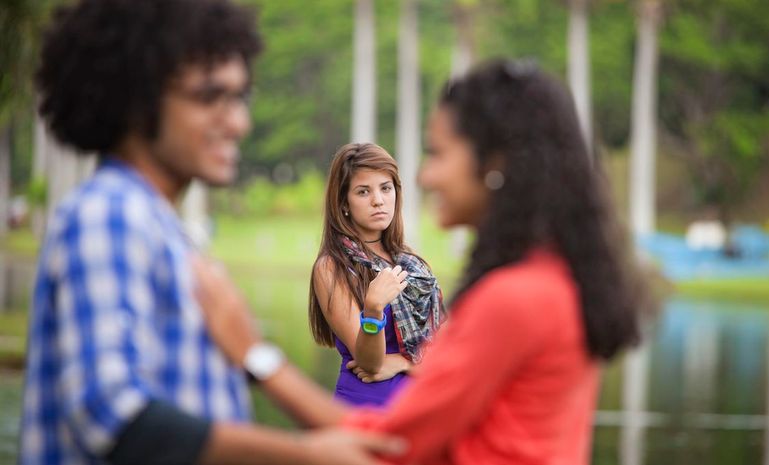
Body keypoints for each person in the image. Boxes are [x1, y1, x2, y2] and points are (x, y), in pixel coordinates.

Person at [197, 59, 646, 465]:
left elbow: (391, 443)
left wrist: (255, 356)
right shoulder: (557, 277)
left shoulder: (514, 298)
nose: (423, 176)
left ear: (495, 164)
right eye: (364, 190)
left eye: (438, 154)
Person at [18, 1, 403, 464]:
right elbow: (114, 416)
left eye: (239, 98)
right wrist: (302, 454)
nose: (238, 122)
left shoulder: (165, 232)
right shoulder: (109, 214)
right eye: (209, 97)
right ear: (137, 99)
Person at [308, 143, 445, 406]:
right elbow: (370, 364)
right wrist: (373, 308)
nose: (378, 200)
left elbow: (450, 352)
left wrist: (403, 362)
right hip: (367, 407)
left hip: (421, 406)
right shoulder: (332, 267)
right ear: (343, 203)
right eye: (363, 191)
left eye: (385, 188)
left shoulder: (413, 265)